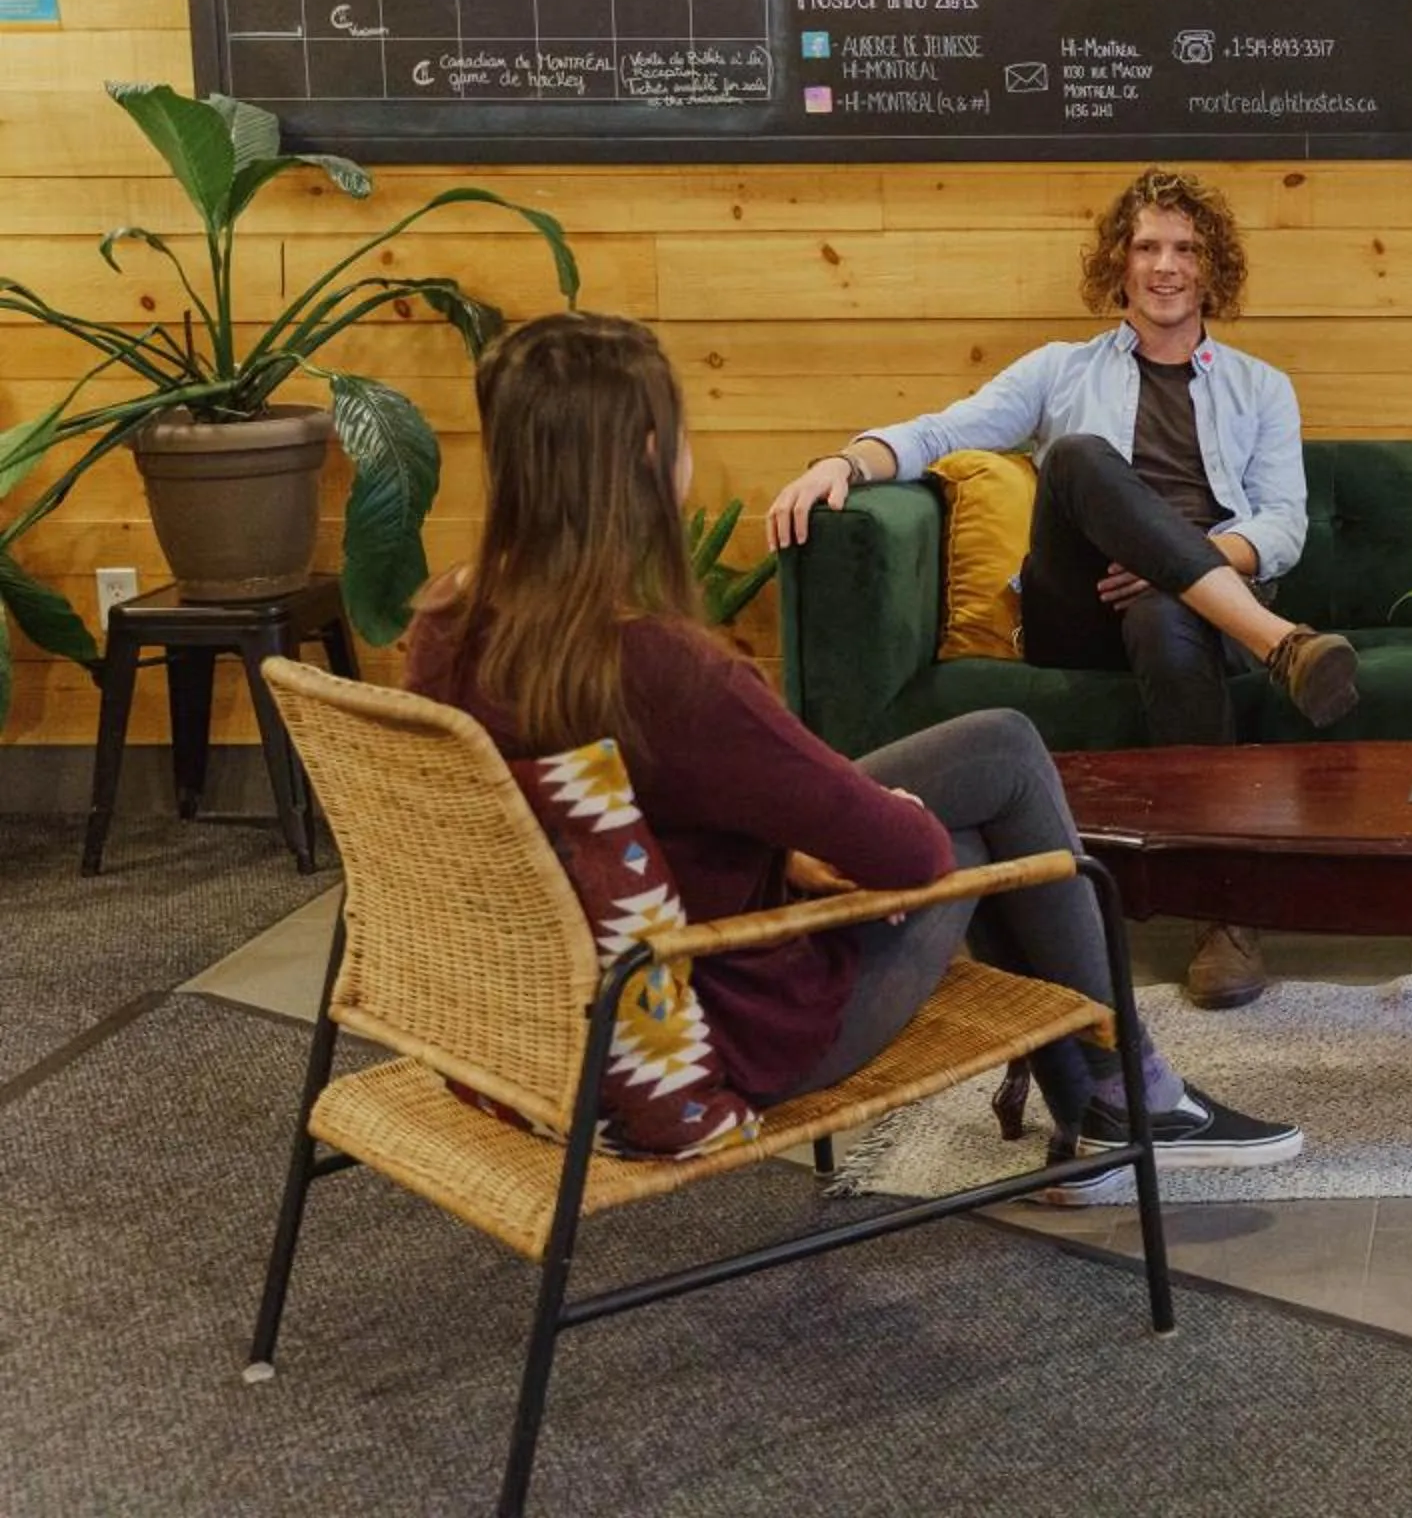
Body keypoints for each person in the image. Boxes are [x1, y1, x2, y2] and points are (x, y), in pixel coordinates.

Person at [410, 311, 1299, 1202]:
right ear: (649, 453)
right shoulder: (663, 668)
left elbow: (647, 811)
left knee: (995, 751)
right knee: (989, 806)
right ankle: (1129, 1099)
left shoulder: (445, 624)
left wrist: (796, 843)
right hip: (719, 1034)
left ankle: (1108, 1104)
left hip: (535, 1028)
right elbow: (908, 856)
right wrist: (891, 822)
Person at [767, 167, 1352, 1012]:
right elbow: (942, 431)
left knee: (1165, 610)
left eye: (1185, 249)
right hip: (1078, 608)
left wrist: (1180, 561)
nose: (1165, 266)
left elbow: (1284, 524)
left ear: (1211, 267)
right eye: (1146, 247)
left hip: (1188, 617)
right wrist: (846, 461)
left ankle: (1221, 912)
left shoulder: (1260, 387)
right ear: (1119, 262)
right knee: (1075, 457)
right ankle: (1280, 645)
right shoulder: (1061, 371)